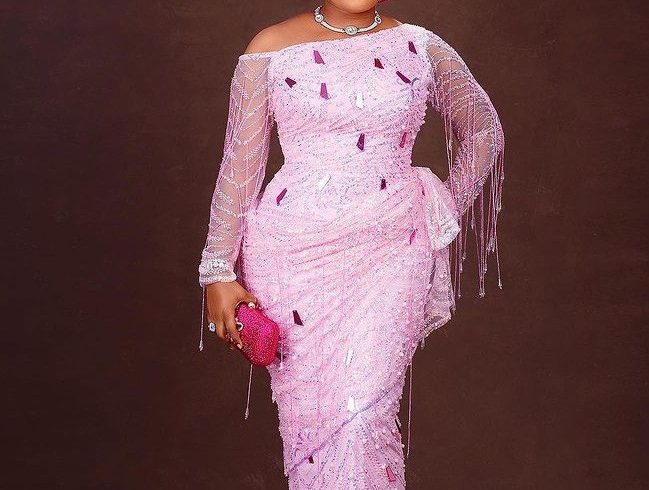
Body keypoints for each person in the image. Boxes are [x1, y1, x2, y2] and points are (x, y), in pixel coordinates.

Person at [197, 2, 505, 488]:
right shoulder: (270, 49)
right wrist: (218, 269)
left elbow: (484, 131)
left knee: (363, 413)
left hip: (391, 254)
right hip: (293, 258)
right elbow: (240, 164)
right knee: (314, 425)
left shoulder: (420, 46)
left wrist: (436, 209)